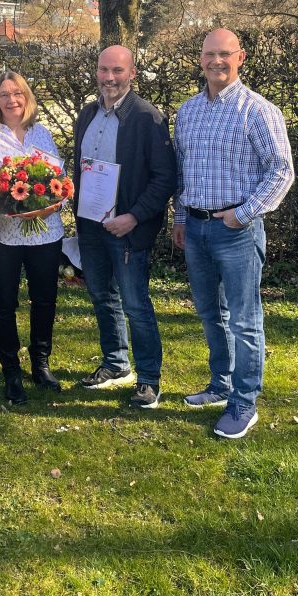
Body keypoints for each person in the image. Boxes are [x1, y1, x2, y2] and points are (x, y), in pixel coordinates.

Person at [173, 28, 294, 439]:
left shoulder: (258, 110)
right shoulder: (187, 112)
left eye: (225, 54)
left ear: (240, 57)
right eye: (209, 54)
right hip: (196, 228)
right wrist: (180, 218)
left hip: (236, 232)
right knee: (211, 315)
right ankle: (220, 385)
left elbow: (281, 171)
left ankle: (244, 402)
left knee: (244, 320)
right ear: (200, 58)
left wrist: (242, 215)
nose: (216, 61)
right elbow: (182, 172)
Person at [73, 46, 177, 409]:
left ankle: (148, 378)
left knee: (135, 304)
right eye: (104, 70)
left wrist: (133, 216)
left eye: (118, 70)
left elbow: (165, 178)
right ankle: (117, 364)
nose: (109, 78)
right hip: (90, 227)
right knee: (102, 297)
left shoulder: (148, 118)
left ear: (132, 73)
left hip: (128, 229)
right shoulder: (86, 114)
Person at [0, 71, 64, 405]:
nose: (11, 100)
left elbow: (61, 179)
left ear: (27, 98)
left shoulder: (42, 134)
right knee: (3, 304)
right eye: (4, 95)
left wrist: (50, 204)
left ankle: (41, 363)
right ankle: (11, 370)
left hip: (46, 233)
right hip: (3, 236)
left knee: (44, 300)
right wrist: (11, 208)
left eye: (17, 93)